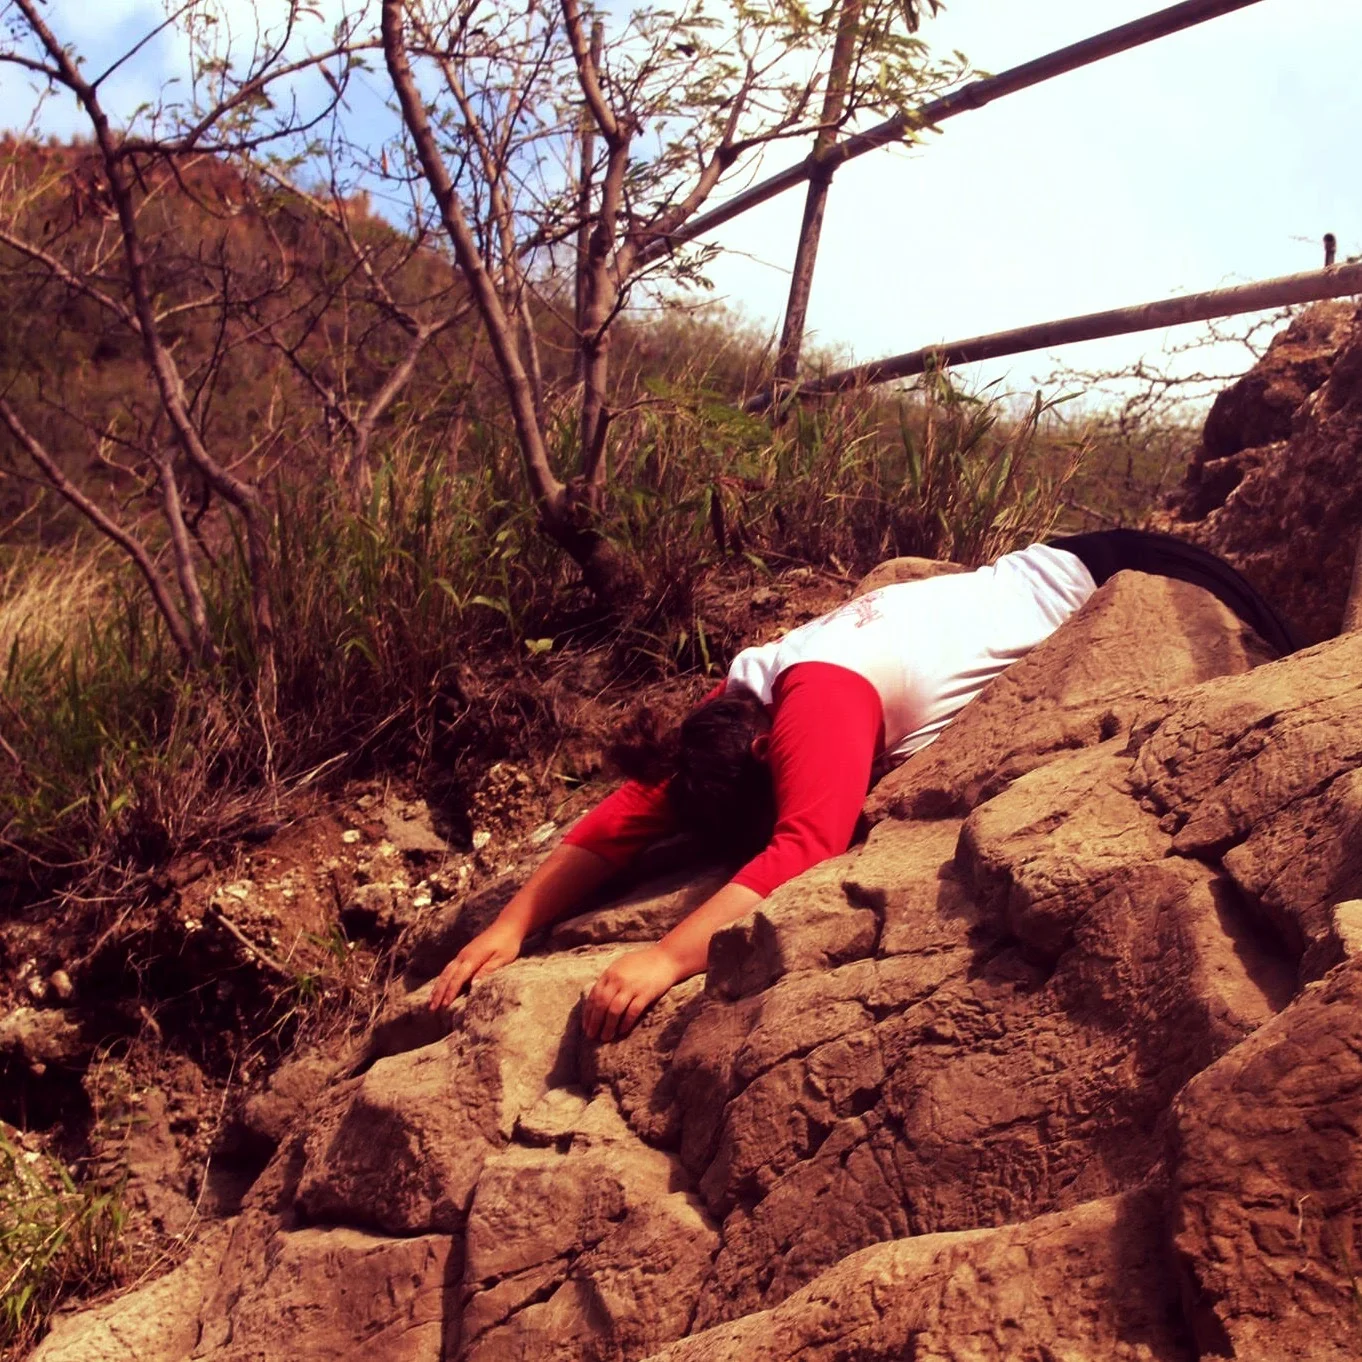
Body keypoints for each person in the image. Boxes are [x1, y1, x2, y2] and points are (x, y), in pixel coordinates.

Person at [429, 529, 1298, 1040]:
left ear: (771, 749)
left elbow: (806, 843)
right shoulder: (740, 696)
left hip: (1140, 577)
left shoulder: (818, 695)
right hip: (1077, 556)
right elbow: (635, 805)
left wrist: (664, 956)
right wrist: (513, 922)